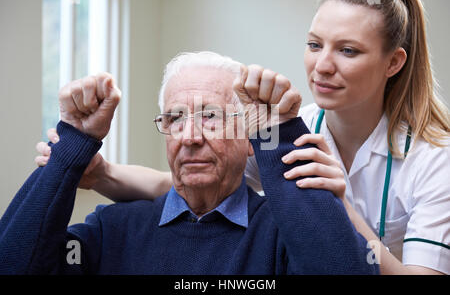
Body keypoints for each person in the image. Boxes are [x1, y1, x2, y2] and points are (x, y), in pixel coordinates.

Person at [36, 0, 450, 275]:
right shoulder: (284, 131)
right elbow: (183, 181)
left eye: (348, 50)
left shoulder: (435, 158)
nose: (322, 65)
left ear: (394, 63)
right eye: (313, 44)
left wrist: (336, 206)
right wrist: (95, 172)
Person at [0, 51, 378, 274]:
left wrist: (278, 135)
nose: (190, 136)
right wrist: (74, 143)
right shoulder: (112, 230)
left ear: (250, 139)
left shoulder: (285, 234)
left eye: (211, 116)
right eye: (176, 118)